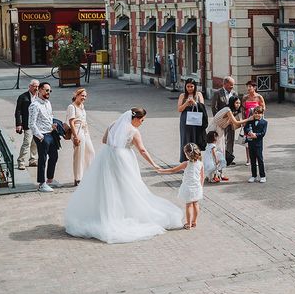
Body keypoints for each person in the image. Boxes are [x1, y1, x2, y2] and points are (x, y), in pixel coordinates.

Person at [64, 108, 184, 243]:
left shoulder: (114, 124)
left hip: (107, 156)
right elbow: (142, 150)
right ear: (136, 118)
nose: (142, 123)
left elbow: (104, 140)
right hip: (123, 158)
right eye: (142, 121)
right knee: (128, 187)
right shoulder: (134, 131)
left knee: (107, 186)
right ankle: (124, 214)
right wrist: (154, 165)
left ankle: (105, 214)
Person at [157, 142, 204, 229]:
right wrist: (200, 186)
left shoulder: (186, 164)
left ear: (187, 154)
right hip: (197, 187)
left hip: (188, 188)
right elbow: (202, 176)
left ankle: (188, 224)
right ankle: (194, 221)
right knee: (196, 204)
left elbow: (172, 170)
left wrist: (161, 171)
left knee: (189, 205)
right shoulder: (200, 163)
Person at [207, 96, 252, 180]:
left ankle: (220, 174)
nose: (238, 105)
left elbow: (234, 125)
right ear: (232, 102)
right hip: (214, 131)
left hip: (220, 130)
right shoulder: (228, 110)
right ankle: (212, 175)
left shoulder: (231, 111)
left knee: (221, 151)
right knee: (214, 152)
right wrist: (248, 119)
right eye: (236, 103)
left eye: (239, 103)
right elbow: (236, 122)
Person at [29, 82, 60, 192]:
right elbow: (31, 123)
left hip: (50, 133)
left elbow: (50, 116)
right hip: (42, 135)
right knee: (42, 159)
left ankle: (49, 180)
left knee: (54, 156)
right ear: (40, 90)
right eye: (46, 90)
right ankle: (42, 184)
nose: (48, 93)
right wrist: (40, 136)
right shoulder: (34, 105)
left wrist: (53, 125)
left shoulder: (48, 103)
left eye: (49, 91)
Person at [66, 88, 95, 186]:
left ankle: (90, 175)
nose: (84, 98)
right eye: (82, 95)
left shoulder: (82, 106)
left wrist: (87, 133)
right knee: (79, 154)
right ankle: (78, 178)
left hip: (85, 130)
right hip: (77, 130)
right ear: (76, 95)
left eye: (85, 96)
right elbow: (71, 122)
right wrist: (75, 136)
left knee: (90, 152)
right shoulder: (72, 107)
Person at [178, 78, 208, 161]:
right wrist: (186, 103)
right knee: (186, 139)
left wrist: (195, 103)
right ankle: (185, 160)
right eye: (188, 86)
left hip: (196, 120)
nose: (190, 88)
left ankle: (197, 159)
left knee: (196, 139)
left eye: (192, 86)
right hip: (185, 121)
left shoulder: (198, 94)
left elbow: (202, 107)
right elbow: (179, 109)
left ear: (195, 87)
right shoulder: (182, 95)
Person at [15, 79, 39, 170]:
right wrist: (18, 124)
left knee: (35, 143)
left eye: (37, 86)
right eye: (34, 86)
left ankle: (32, 160)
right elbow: (18, 111)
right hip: (27, 124)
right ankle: (21, 161)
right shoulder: (23, 97)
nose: (36, 88)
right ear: (30, 86)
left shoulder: (39, 97)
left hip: (37, 124)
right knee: (27, 143)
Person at [241, 80, 266, 165]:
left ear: (254, 87)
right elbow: (243, 109)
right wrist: (243, 121)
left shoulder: (259, 97)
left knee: (257, 139)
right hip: (248, 120)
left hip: (257, 121)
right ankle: (249, 159)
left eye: (250, 86)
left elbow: (263, 108)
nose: (248, 88)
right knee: (248, 140)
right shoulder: (245, 97)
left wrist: (260, 119)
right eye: (247, 86)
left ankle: (257, 158)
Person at [244, 106, 268, 182]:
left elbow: (263, 133)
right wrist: (249, 132)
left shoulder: (264, 122)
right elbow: (246, 128)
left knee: (260, 160)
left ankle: (262, 176)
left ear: (262, 114)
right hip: (250, 143)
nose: (257, 115)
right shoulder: (251, 120)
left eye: (259, 113)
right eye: (255, 113)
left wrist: (256, 135)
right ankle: (253, 175)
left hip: (258, 144)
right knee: (252, 160)